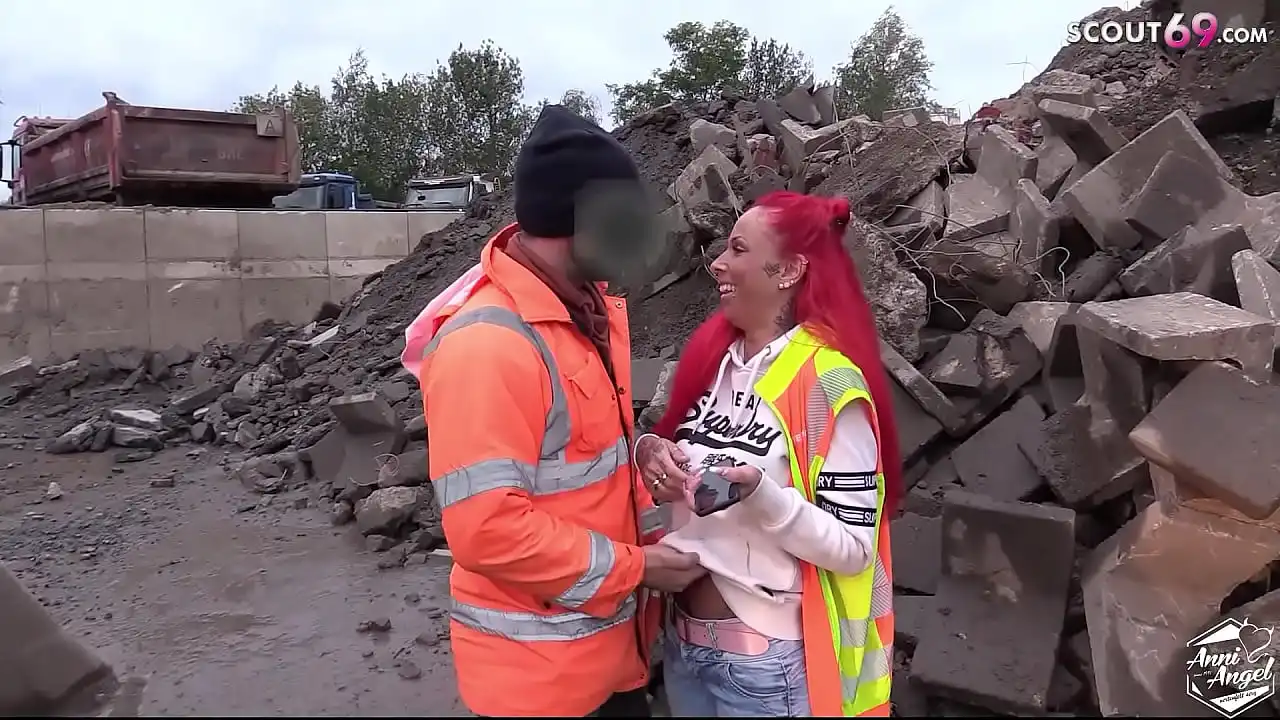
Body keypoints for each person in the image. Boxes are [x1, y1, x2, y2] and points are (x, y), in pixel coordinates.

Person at [408, 105, 706, 717]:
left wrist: (641, 446)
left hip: (609, 658)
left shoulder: (583, 313)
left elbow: (572, 453)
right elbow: (487, 531)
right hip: (539, 682)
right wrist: (638, 568)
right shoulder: (489, 346)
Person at [633, 191, 904, 717]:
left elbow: (853, 550)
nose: (718, 263)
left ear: (790, 270)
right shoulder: (712, 366)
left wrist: (761, 496)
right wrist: (653, 453)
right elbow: (676, 468)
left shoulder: (828, 384)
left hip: (765, 668)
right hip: (683, 650)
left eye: (738, 249)